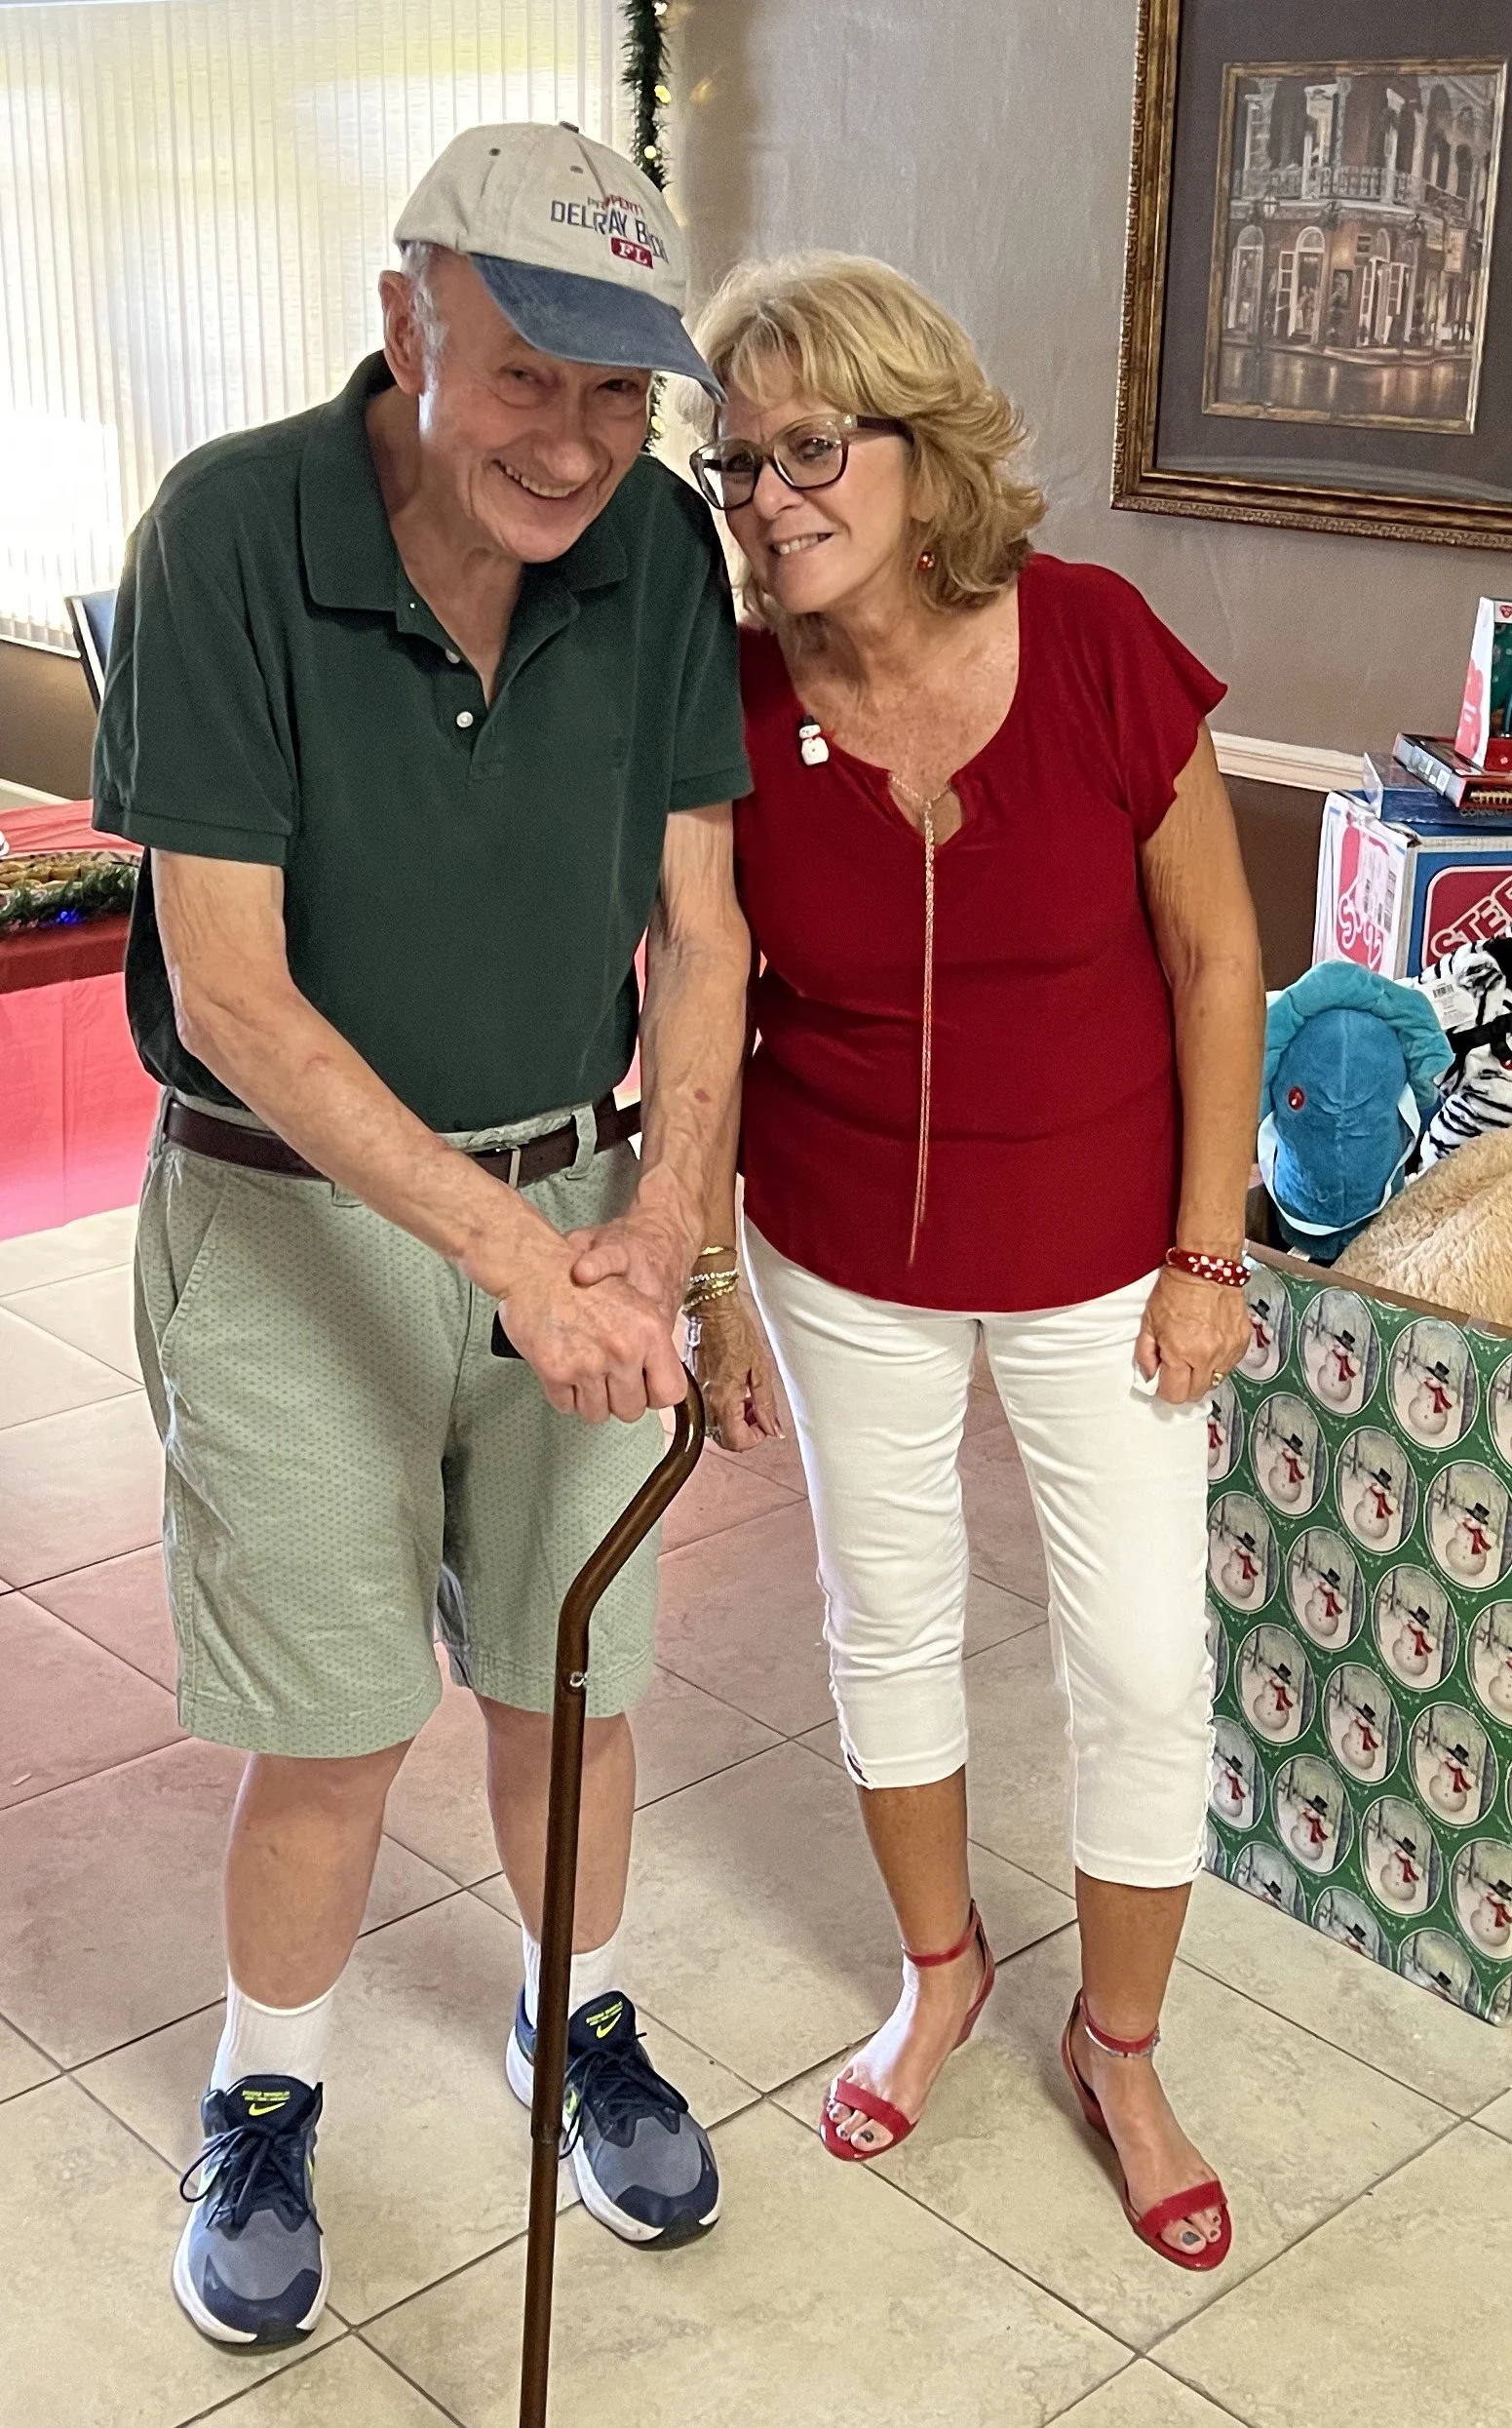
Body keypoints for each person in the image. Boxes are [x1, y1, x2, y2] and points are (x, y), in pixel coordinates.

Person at [92, 123, 754, 2345]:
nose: (570, 442)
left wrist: (666, 1221)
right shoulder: (229, 532)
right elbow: (231, 995)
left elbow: (702, 925)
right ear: (407, 322)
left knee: (575, 1685)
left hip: (576, 1195)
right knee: (336, 1723)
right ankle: (264, 2093)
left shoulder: (654, 548)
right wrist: (514, 1256)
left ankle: (578, 2018)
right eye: (524, 373)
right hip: (288, 1220)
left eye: (617, 390)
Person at [679, 252, 1264, 2268]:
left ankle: (1121, 2047)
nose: (767, 496)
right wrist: (706, 1280)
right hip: (840, 1253)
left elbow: (1215, 955)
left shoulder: (1091, 639)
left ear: (920, 446)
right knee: (887, 1620)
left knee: (1139, 1662)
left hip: (1109, 1252)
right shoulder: (731, 699)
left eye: (808, 446)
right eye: (735, 462)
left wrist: (1209, 1248)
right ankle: (940, 1974)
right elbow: (702, 990)